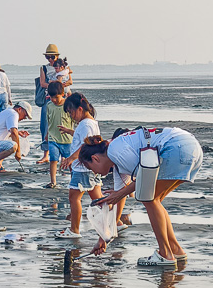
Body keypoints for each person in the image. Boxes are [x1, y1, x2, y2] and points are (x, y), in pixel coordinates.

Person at [79, 127, 203, 268]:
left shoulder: (115, 151)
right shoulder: (117, 161)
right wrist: (103, 238)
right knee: (154, 200)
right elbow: (117, 203)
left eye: (90, 168)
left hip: (177, 147)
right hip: (190, 147)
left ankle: (165, 254)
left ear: (95, 158)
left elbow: (144, 176)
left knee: (148, 198)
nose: (94, 173)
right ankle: (175, 250)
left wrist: (120, 193)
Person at [55, 93, 101, 239]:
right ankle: (116, 222)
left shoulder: (86, 124)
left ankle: (74, 230)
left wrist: (70, 159)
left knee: (74, 198)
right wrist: (69, 131)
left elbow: (85, 144)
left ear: (80, 109)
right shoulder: (90, 122)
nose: (71, 116)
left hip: (83, 168)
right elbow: (83, 138)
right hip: (90, 167)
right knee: (99, 199)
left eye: (71, 112)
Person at [0, 101, 33, 171]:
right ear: (19, 109)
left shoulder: (8, 112)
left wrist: (18, 133)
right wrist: (18, 152)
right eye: (25, 115)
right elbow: (13, 132)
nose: (24, 118)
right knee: (13, 145)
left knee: (12, 140)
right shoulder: (13, 114)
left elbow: (5, 131)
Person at [45, 81, 74, 188]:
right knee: (53, 160)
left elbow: (74, 120)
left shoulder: (68, 105)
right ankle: (53, 181)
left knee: (69, 161)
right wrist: (47, 133)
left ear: (62, 94)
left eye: (56, 97)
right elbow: (49, 120)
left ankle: (73, 180)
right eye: (51, 97)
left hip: (67, 140)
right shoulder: (49, 106)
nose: (54, 100)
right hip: (53, 138)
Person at [37, 45, 60, 163]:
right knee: (45, 125)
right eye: (48, 57)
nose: (50, 60)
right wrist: (54, 84)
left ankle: (62, 153)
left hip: (61, 99)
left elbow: (67, 82)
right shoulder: (44, 68)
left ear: (57, 56)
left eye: (52, 57)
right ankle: (46, 153)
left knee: (60, 124)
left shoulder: (62, 67)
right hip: (48, 98)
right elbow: (42, 83)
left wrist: (52, 83)